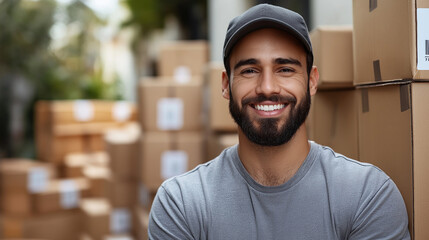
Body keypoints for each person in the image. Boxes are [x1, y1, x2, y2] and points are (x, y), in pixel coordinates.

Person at [148, 4, 410, 240]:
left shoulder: (367, 196)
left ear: (312, 81)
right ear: (227, 85)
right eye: (249, 70)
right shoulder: (182, 203)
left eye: (285, 69)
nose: (267, 87)